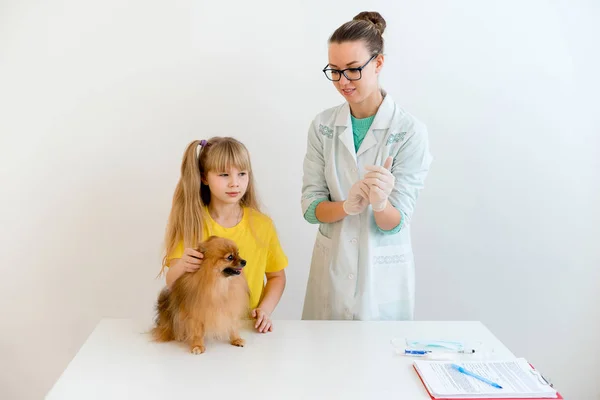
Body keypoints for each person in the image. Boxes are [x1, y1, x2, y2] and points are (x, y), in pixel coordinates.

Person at [301, 11, 432, 321]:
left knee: (378, 364)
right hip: (332, 271)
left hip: (382, 280)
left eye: (353, 70)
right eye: (334, 71)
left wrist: (381, 203)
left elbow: (396, 221)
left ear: (378, 63)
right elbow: (310, 206)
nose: (343, 81)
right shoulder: (323, 126)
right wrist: (347, 206)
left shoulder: (410, 132)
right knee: (323, 362)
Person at [161, 137, 288, 333]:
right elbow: (171, 282)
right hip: (203, 331)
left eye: (242, 174)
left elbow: (276, 276)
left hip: (246, 329)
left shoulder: (263, 225)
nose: (234, 183)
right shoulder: (192, 224)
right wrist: (182, 265)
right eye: (224, 175)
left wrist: (265, 310)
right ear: (204, 177)